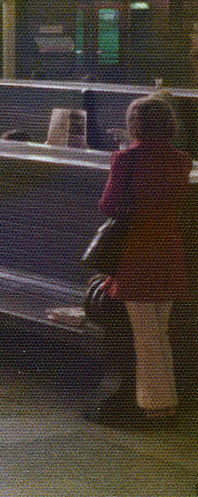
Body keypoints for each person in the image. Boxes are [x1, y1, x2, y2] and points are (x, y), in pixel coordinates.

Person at [91, 95, 190, 426]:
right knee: (158, 331)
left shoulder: (125, 159)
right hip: (169, 248)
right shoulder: (182, 160)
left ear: (135, 124)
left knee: (146, 336)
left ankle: (157, 407)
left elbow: (108, 205)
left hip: (138, 250)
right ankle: (165, 402)